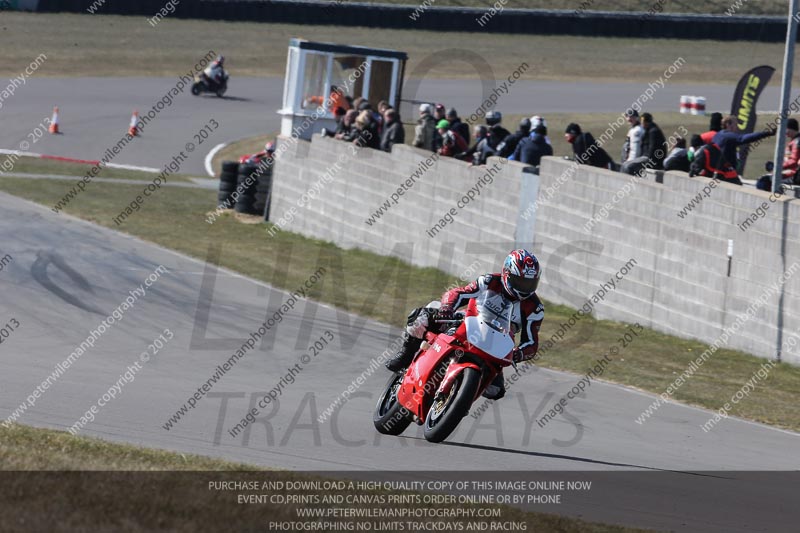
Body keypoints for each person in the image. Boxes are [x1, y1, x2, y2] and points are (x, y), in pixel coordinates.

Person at [385, 249, 545, 401]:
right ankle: (406, 354)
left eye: (529, 284)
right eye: (520, 281)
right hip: (469, 323)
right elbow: (458, 293)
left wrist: (519, 353)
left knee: (495, 391)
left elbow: (531, 343)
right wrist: (447, 308)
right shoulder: (489, 281)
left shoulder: (534, 308)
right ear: (507, 274)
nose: (524, 288)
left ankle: (455, 398)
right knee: (421, 318)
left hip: (496, 344)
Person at [712, 115, 775, 182]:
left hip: (717, 171)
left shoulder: (718, 135)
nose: (737, 127)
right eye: (735, 124)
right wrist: (767, 133)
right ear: (728, 124)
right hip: (725, 174)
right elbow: (743, 138)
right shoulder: (727, 136)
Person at [756, 118, 800, 191]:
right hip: (789, 172)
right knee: (764, 179)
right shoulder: (795, 140)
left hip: (793, 175)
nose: (785, 132)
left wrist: (777, 166)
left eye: (786, 129)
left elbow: (794, 161)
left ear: (791, 129)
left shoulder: (797, 141)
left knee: (763, 181)